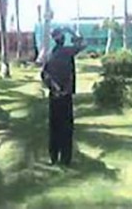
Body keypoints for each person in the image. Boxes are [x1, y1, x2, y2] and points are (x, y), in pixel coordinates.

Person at [41, 27, 85, 166]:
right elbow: (83, 44)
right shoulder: (66, 51)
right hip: (65, 95)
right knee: (66, 128)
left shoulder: (51, 54)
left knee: (54, 127)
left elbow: (44, 74)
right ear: (62, 38)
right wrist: (71, 31)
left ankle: (53, 157)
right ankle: (65, 159)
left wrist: (54, 87)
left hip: (54, 95)